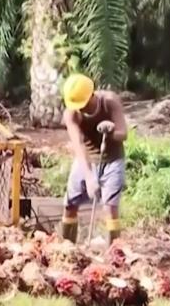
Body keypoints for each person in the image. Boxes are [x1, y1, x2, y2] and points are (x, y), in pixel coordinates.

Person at [59, 73, 127, 245]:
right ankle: (67, 249)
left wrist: (111, 133)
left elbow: (123, 133)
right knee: (70, 204)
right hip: (85, 159)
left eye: (84, 104)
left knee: (110, 208)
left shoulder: (109, 102)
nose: (81, 109)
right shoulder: (71, 114)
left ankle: (114, 252)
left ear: (91, 95)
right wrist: (89, 177)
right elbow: (78, 145)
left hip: (112, 159)